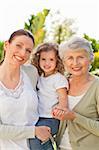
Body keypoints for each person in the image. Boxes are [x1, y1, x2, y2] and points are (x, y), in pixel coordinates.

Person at [0, 29, 51, 150]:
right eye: (18, 46)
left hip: (36, 146)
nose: (23, 53)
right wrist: (33, 131)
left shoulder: (31, 73)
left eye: (28, 50)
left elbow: (51, 86)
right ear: (7, 45)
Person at [52, 36, 99, 150]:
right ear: (64, 61)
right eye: (70, 58)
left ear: (90, 59)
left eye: (80, 57)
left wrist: (74, 117)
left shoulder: (97, 86)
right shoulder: (61, 83)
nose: (75, 63)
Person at [29, 42, 69, 150]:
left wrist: (62, 108)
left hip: (51, 118)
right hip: (38, 117)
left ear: (57, 61)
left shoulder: (58, 78)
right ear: (38, 60)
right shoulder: (40, 76)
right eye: (43, 59)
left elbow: (63, 97)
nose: (47, 63)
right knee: (38, 142)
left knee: (35, 139)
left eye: (51, 59)